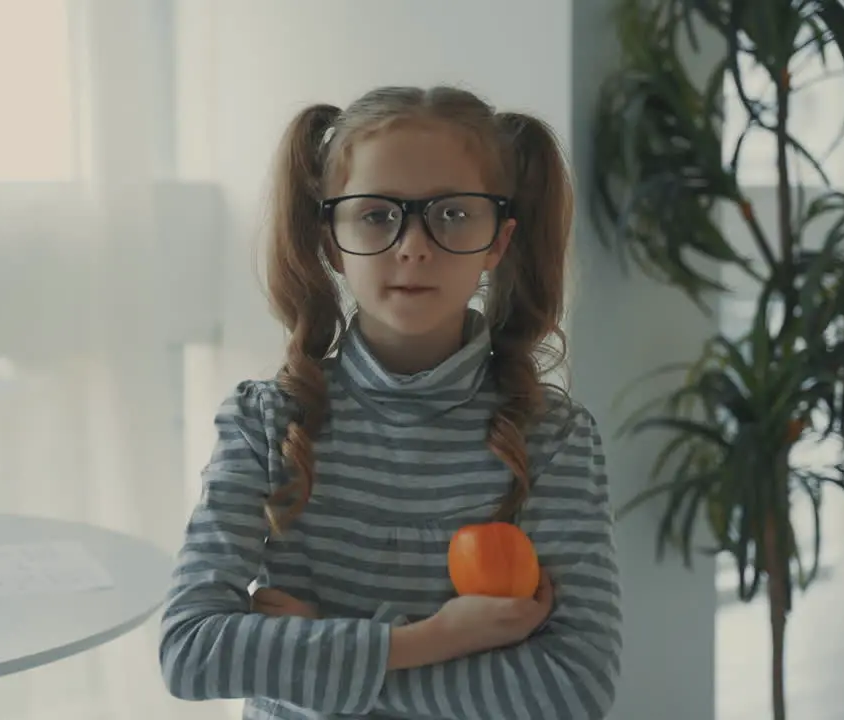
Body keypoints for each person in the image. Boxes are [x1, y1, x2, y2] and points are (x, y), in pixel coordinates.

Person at [157, 84, 623, 719]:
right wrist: (434, 639)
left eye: (454, 214)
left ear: (499, 241)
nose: (413, 245)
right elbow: (191, 652)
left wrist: (315, 654)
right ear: (331, 241)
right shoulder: (262, 422)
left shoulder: (555, 437)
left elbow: (572, 691)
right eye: (376, 213)